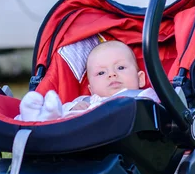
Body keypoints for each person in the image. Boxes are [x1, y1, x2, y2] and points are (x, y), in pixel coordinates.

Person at [15, 40, 158, 122]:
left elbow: (157, 112)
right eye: (101, 72)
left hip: (117, 130)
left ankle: (39, 118)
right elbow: (68, 109)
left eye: (120, 67)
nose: (112, 74)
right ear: (91, 88)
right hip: (79, 131)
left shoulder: (144, 96)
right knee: (63, 112)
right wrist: (72, 107)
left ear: (140, 79)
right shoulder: (87, 100)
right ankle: (34, 117)